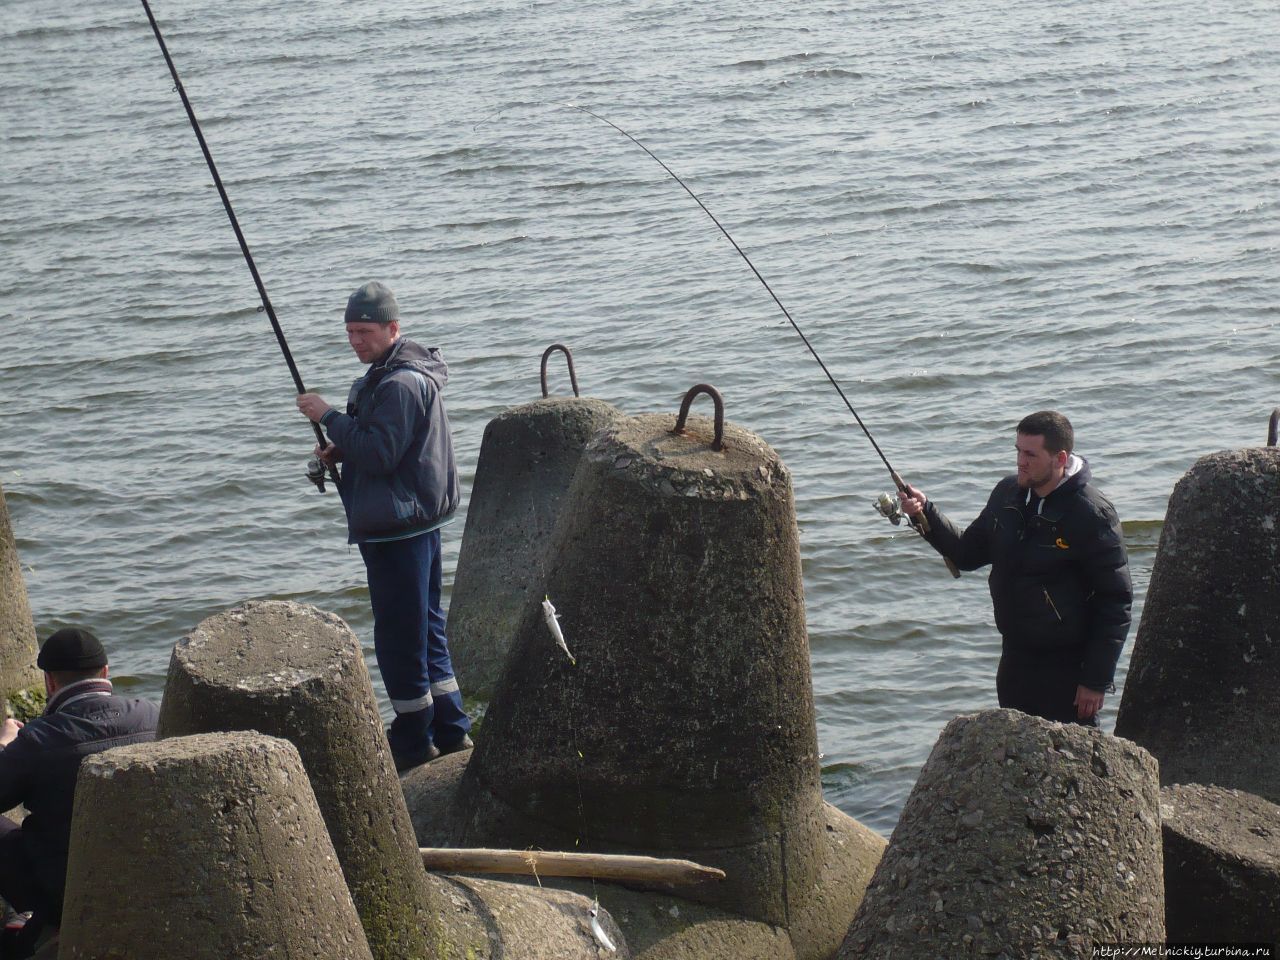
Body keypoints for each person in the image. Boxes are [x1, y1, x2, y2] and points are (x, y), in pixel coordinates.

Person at [297, 280, 471, 773]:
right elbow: (378, 445)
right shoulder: (393, 373)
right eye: (350, 331)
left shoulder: (397, 383)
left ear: (394, 328)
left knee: (399, 638)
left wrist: (328, 415)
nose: (356, 341)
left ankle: (414, 739)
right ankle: (452, 727)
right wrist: (342, 447)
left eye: (366, 331)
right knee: (428, 628)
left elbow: (380, 452)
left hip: (399, 529)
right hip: (416, 521)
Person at [898, 411, 1132, 726]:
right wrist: (925, 513)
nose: (1020, 461)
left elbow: (1115, 601)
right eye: (1018, 451)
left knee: (1069, 762)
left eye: (1030, 454)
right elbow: (967, 553)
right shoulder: (1007, 494)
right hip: (1015, 657)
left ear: (1059, 458)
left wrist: (1095, 680)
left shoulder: (1092, 514)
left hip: (1068, 666)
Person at [0, 628, 159, 950]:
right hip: (150, 875)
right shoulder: (153, 715)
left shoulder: (37, 739)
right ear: (105, 672)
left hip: (63, 890)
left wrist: (5, 746)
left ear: (49, 681)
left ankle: (33, 925)